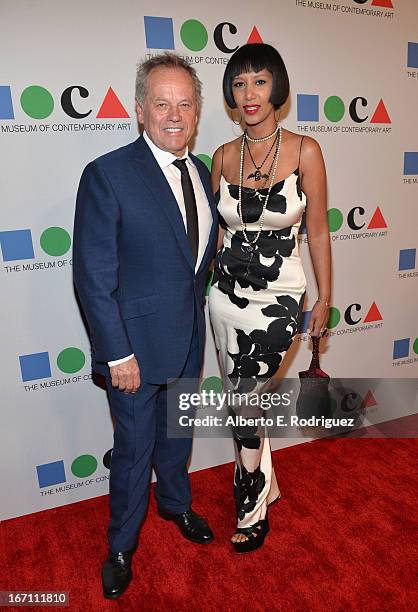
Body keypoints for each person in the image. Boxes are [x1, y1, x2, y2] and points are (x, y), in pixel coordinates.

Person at [73, 52, 218, 599]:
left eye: (185, 103)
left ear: (198, 111)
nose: (174, 115)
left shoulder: (200, 173)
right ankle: (120, 545)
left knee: (176, 438)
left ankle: (176, 506)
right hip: (131, 351)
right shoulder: (107, 175)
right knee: (133, 452)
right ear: (140, 110)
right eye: (162, 103)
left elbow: (191, 263)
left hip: (186, 340)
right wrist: (116, 355)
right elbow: (93, 277)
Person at [208, 43, 331, 553]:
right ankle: (260, 484)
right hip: (226, 297)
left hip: (281, 297)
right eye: (239, 84)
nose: (249, 93)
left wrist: (324, 298)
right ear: (230, 96)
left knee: (246, 400)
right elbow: (214, 238)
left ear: (276, 87)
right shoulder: (220, 156)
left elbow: (318, 232)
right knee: (244, 404)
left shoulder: (306, 150)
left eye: (259, 81)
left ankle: (251, 497)